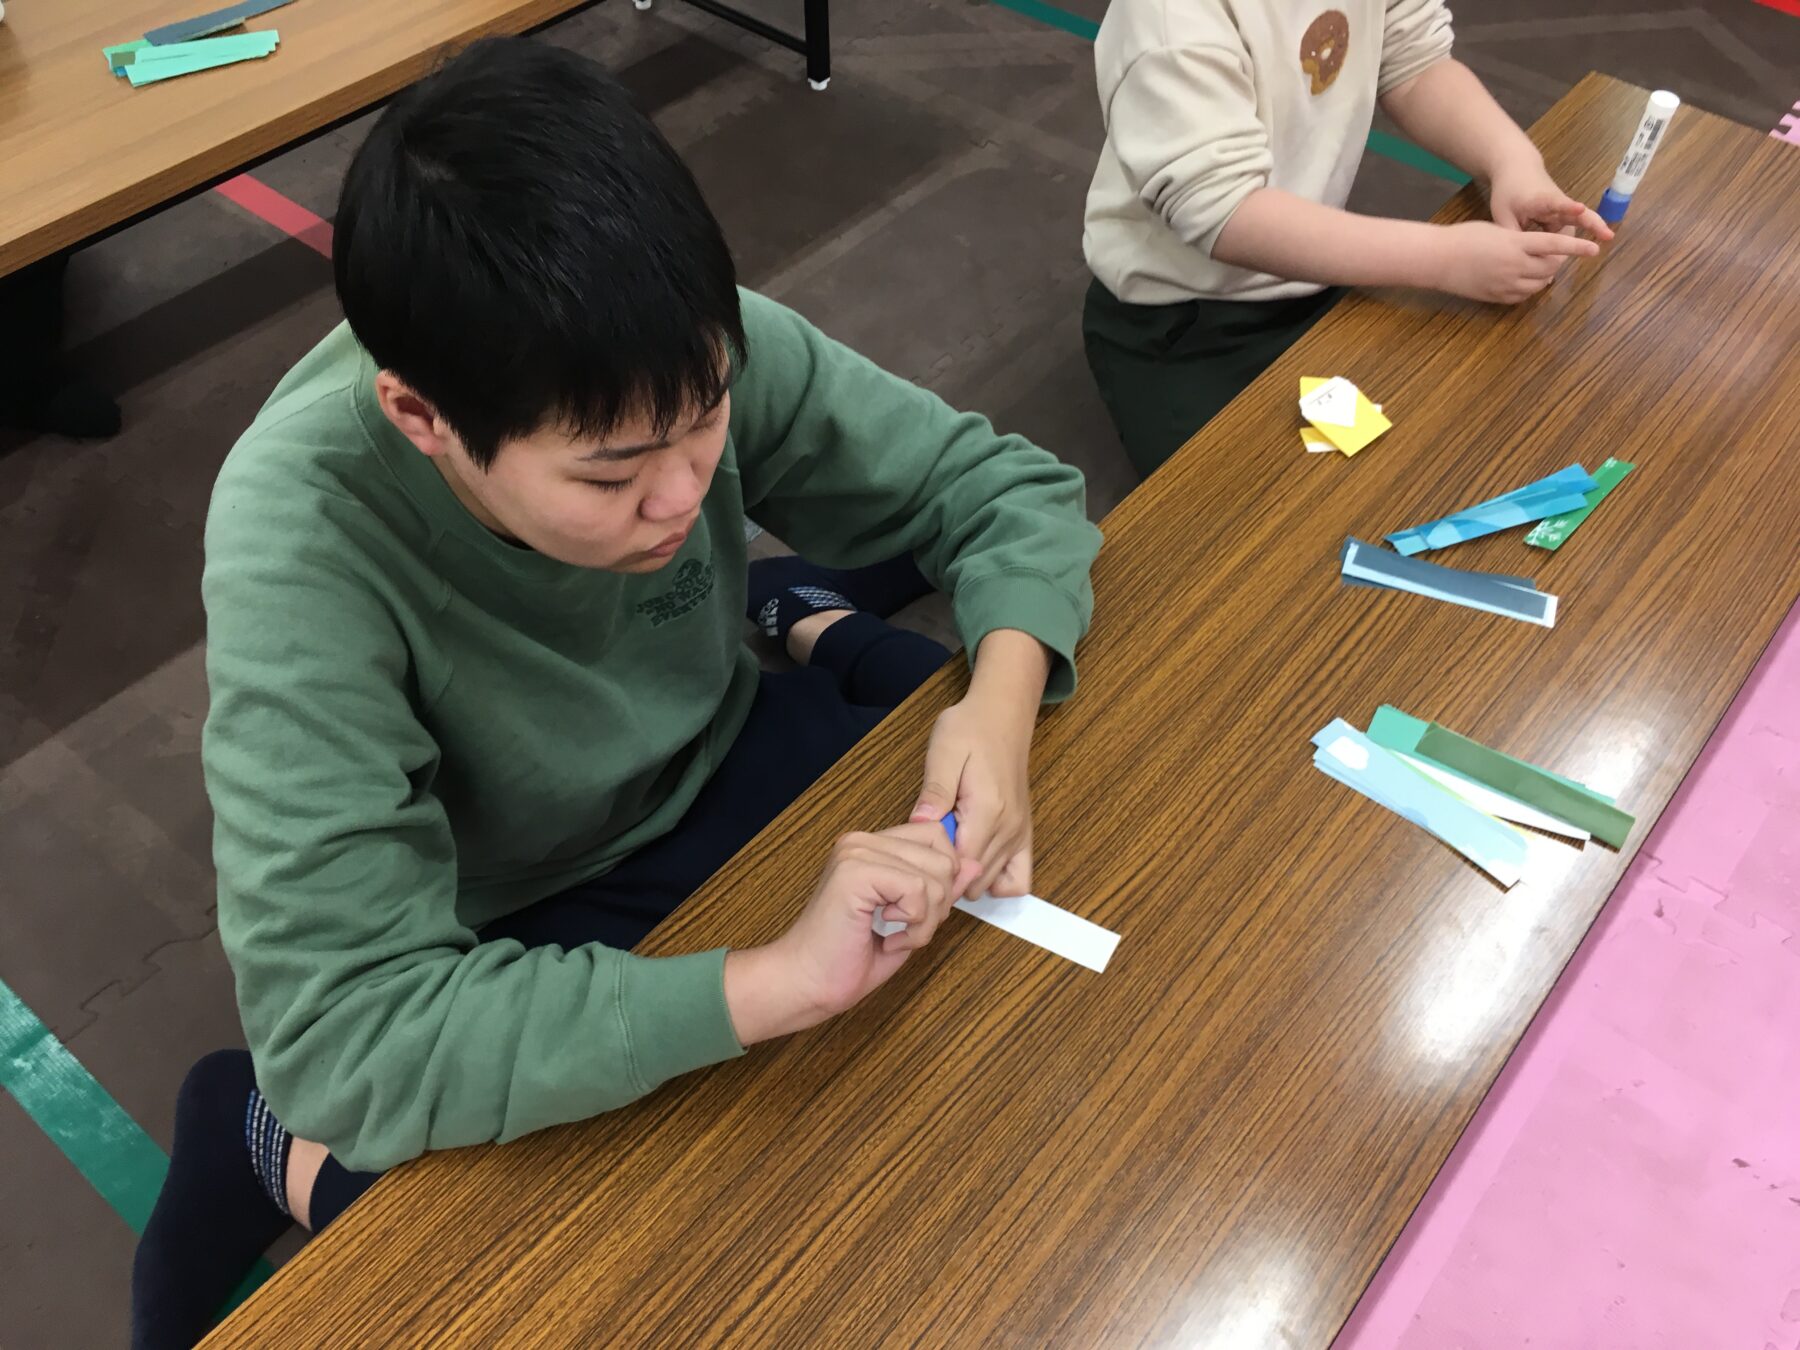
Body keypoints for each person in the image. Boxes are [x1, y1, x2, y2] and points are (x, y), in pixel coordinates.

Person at [130, 36, 1101, 1349]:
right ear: (421, 419)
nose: (686, 495)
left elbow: (1005, 490)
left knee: (1014, 1055)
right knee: (606, 1293)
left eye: (709, 422)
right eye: (610, 477)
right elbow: (347, 1036)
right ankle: (240, 1130)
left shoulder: (669, 351)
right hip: (522, 913)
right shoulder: (299, 535)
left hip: (724, 749)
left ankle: (804, 617)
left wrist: (995, 709)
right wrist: (773, 984)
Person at [1080, 0, 1615, 477]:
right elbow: (1224, 210)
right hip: (1180, 319)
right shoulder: (1169, 15)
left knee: (1433, 442)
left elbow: (1415, 62)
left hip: (1316, 269)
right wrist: (1445, 258)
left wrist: (1513, 162)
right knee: (1256, 516)